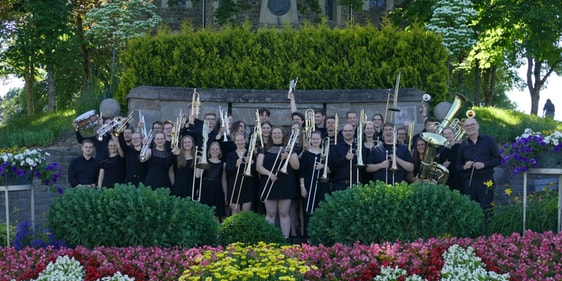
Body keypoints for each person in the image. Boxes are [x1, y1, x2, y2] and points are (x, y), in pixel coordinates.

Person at [256, 126, 300, 240]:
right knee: (270, 213)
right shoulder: (264, 149)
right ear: (271, 135)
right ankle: (268, 239)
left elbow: (296, 166)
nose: (276, 135)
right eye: (274, 133)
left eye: (278, 133)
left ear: (283, 135)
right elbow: (258, 166)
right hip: (269, 182)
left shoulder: (290, 149)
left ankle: (285, 239)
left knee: (284, 213)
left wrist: (288, 156)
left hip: (285, 184)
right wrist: (269, 174)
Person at [457, 118, 501, 215]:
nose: (470, 127)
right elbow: (458, 166)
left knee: (487, 208)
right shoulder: (463, 145)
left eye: (472, 124)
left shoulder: (489, 140)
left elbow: (498, 159)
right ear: (464, 128)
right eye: (467, 126)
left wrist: (484, 164)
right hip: (469, 181)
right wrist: (464, 167)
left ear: (477, 126)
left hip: (486, 179)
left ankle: (488, 230)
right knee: (471, 209)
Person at [299, 131, 329, 239]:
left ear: (321, 140)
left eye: (317, 139)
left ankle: (319, 237)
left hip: (321, 185)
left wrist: (324, 166)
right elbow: (301, 172)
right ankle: (308, 238)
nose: (315, 141)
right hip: (307, 184)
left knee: (320, 211)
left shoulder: (325, 153)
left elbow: (330, 170)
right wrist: (302, 187)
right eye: (313, 139)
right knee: (308, 210)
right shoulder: (306, 154)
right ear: (310, 140)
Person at [226, 132, 258, 213]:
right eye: (238, 140)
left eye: (242, 140)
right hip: (234, 186)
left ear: (245, 140)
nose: (240, 142)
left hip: (247, 186)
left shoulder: (250, 154)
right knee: (235, 215)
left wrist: (251, 163)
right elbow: (228, 171)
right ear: (235, 142)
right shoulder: (230, 155)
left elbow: (256, 172)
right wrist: (236, 165)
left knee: (245, 214)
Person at [197, 141, 227, 222]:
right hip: (205, 190)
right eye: (212, 149)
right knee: (204, 214)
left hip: (217, 191)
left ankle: (217, 234)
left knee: (216, 216)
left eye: (217, 149)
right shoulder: (205, 161)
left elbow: (223, 181)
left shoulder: (223, 164)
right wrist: (199, 162)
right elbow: (198, 175)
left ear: (220, 151)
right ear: (209, 151)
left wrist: (225, 195)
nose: (215, 151)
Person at [329, 123, 359, 191]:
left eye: (350, 131)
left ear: (353, 132)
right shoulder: (335, 148)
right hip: (339, 184)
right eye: (345, 131)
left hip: (356, 184)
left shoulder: (359, 148)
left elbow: (366, 167)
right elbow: (332, 165)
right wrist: (345, 158)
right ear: (342, 133)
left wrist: (359, 157)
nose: (348, 133)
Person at [437, 126, 463, 193]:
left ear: (454, 134)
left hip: (460, 178)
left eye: (450, 133)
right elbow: (440, 170)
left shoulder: (461, 147)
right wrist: (444, 166)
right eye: (445, 134)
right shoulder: (442, 152)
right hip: (448, 180)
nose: (448, 135)